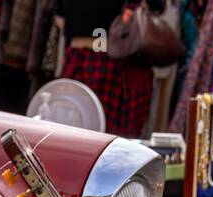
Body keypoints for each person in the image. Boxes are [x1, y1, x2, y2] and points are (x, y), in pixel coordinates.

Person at [53, 0, 158, 138]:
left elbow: (60, 19)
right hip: (117, 64)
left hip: (78, 57)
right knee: (115, 143)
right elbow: (156, 7)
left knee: (72, 134)